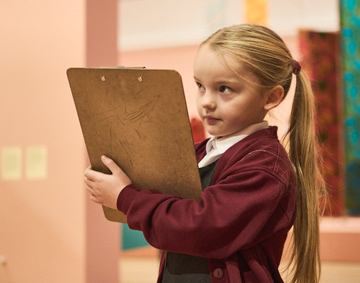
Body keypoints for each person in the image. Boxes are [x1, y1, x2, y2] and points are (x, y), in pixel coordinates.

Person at [84, 24, 326, 283]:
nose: (206, 101)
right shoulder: (200, 153)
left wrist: (126, 197)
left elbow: (204, 228)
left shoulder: (265, 165)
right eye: (200, 85)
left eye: (224, 89)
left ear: (271, 97)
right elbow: (168, 213)